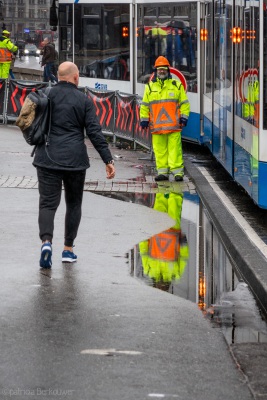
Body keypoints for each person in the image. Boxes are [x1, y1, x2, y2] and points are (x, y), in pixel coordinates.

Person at [33, 61, 116, 269]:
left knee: (47, 204)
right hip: (75, 160)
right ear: (75, 78)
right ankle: (68, 250)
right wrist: (107, 159)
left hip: (47, 157)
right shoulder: (83, 100)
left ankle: (46, 243)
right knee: (74, 204)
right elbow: (94, 133)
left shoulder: (45, 95)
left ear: (59, 76)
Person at [140, 56, 190, 182]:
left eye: (163, 69)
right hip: (157, 127)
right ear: (155, 71)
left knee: (175, 151)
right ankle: (163, 173)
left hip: (174, 126)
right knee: (160, 151)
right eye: (159, 69)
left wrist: (184, 118)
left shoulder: (176, 86)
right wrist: (144, 120)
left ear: (168, 70)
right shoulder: (149, 87)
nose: (161, 71)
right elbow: (145, 105)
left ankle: (178, 173)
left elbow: (184, 103)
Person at [139, 192, 189, 291]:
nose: (161, 287)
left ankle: (163, 187)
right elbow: (183, 257)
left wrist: (144, 237)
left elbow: (144, 251)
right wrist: (183, 244)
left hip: (158, 229)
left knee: (160, 204)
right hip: (172, 231)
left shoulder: (149, 270)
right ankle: (175, 188)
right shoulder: (175, 274)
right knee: (174, 205)